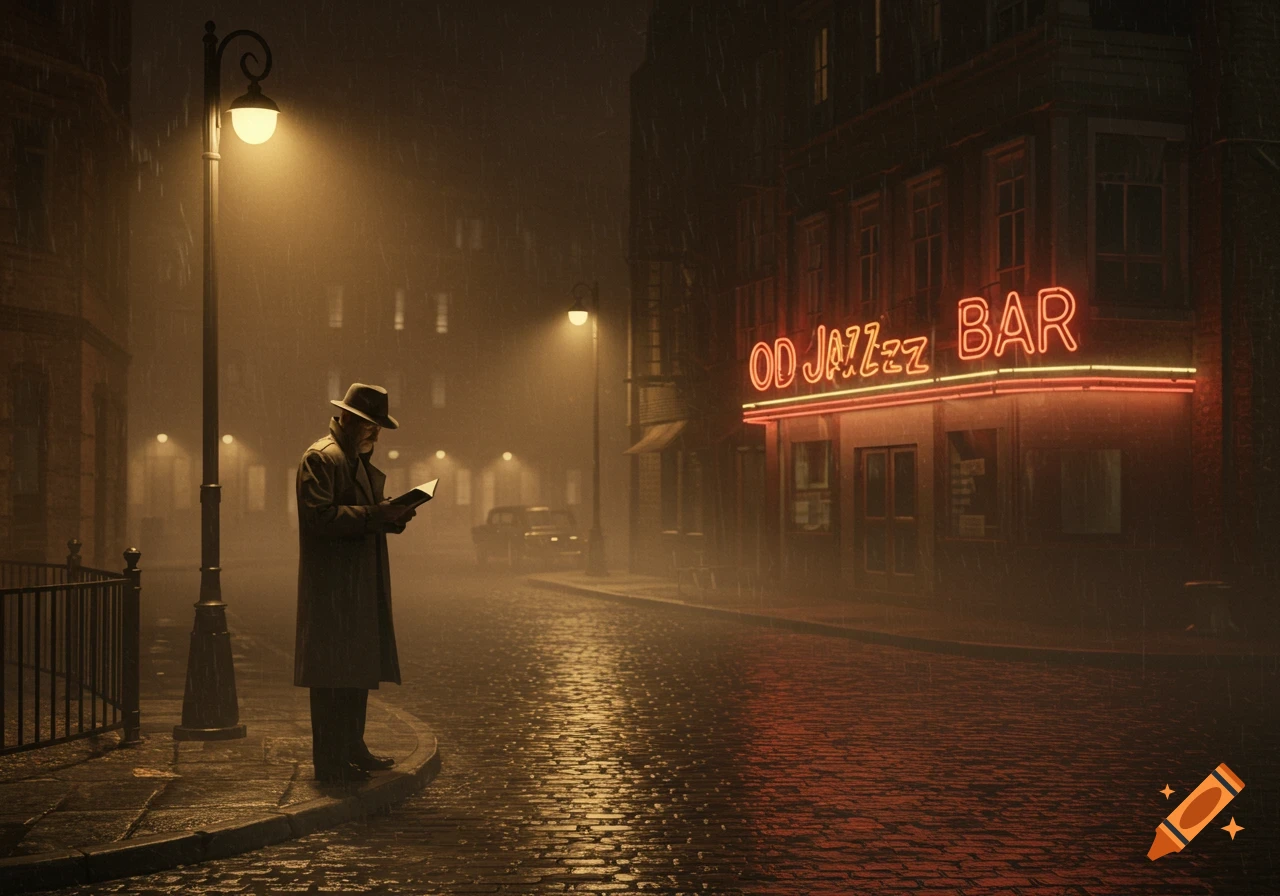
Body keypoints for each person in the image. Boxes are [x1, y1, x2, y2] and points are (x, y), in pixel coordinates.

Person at [295, 382, 416, 783]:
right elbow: (319, 518)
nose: (375, 433)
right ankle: (331, 761)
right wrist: (377, 514)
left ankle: (351, 748)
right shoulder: (322, 458)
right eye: (369, 424)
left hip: (353, 584)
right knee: (332, 677)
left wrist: (391, 516)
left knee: (354, 671)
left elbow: (360, 514)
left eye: (377, 426)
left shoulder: (350, 459)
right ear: (348, 419)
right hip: (332, 588)